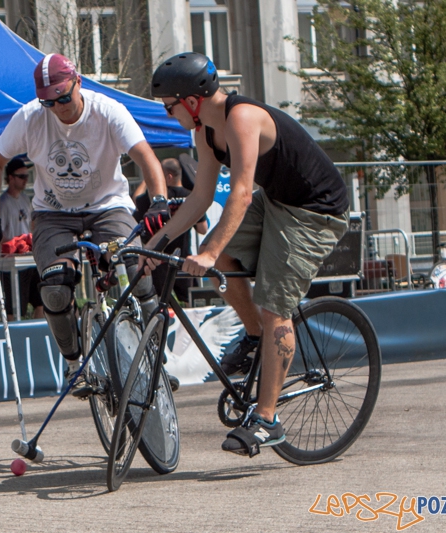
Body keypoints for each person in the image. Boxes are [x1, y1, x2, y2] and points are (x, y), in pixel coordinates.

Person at [147, 53, 349, 456]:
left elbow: (239, 192)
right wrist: (158, 244)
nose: (170, 115)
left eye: (170, 107)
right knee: (218, 260)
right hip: (277, 202)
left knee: (275, 303)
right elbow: (201, 196)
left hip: (315, 212)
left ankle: (268, 419)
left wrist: (208, 250)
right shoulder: (206, 131)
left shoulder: (242, 118)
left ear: (190, 101)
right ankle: (256, 336)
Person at [0, 53, 173, 395]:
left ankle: (157, 349)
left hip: (107, 206)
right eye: (49, 102)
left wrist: (158, 201)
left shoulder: (107, 111)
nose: (59, 107)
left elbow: (146, 157)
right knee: (54, 288)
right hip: (53, 212)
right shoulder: (30, 118)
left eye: (65, 97)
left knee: (135, 263)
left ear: (78, 82)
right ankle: (74, 363)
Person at [133, 158, 208, 303]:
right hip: (183, 259)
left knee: (157, 302)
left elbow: (135, 201)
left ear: (167, 176)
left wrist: (148, 178)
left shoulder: (154, 200)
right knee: (189, 302)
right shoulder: (191, 197)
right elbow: (202, 229)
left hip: (156, 260)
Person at [0, 157, 44, 320]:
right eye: (21, 177)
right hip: (12, 264)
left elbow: (32, 224)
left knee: (41, 302)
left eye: (27, 176)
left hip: (29, 261)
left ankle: (35, 335)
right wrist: (15, 244)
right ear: (11, 178)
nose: (26, 180)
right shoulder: (3, 203)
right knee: (14, 309)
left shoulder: (26, 199)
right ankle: (15, 340)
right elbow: (0, 235)